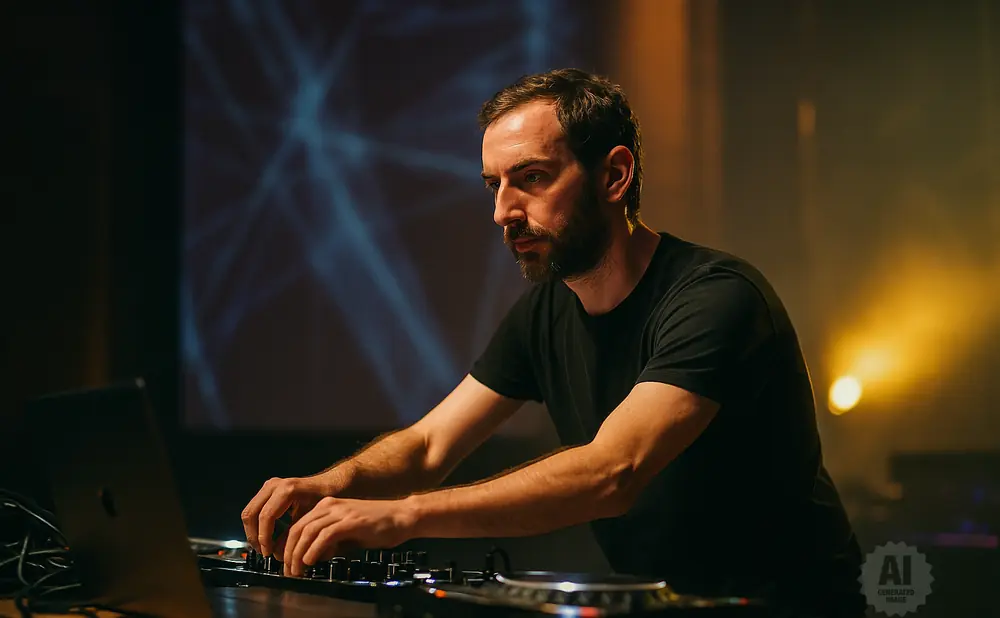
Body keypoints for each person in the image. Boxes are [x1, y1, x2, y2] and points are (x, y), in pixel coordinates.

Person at [241, 68, 865, 617]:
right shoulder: (546, 310)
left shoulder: (716, 298)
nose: (503, 212)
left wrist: (404, 516)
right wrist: (331, 483)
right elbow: (430, 444)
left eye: (532, 178)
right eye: (494, 185)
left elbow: (611, 472)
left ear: (615, 175)